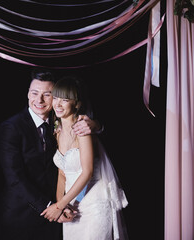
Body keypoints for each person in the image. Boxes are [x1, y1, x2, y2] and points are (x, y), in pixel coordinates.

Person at [0, 68, 100, 240]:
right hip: (22, 215)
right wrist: (51, 207)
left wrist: (96, 124)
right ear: (28, 94)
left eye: (47, 94)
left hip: (58, 216)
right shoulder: (11, 127)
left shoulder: (61, 120)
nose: (39, 100)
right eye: (34, 93)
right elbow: (15, 178)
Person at [41, 76, 129, 240]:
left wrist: (58, 206)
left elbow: (87, 172)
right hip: (72, 205)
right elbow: (62, 174)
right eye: (56, 97)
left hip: (94, 205)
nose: (58, 104)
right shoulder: (57, 131)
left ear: (76, 104)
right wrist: (63, 205)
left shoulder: (83, 129)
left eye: (65, 99)